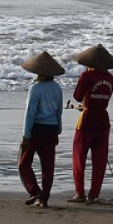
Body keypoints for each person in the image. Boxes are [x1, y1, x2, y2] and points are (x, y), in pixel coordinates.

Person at [68, 43, 113, 204]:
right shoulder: (110, 78)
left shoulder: (86, 76)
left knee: (79, 157)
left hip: (87, 119)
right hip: (103, 119)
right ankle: (94, 194)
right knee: (100, 160)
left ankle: (79, 193)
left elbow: (77, 96)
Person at [19, 50, 65, 208]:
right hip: (51, 129)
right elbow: (59, 111)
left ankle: (34, 191)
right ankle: (44, 197)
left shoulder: (36, 88)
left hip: (37, 129)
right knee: (48, 166)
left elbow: (30, 113)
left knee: (24, 164)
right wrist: (58, 130)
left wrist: (26, 134)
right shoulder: (57, 88)